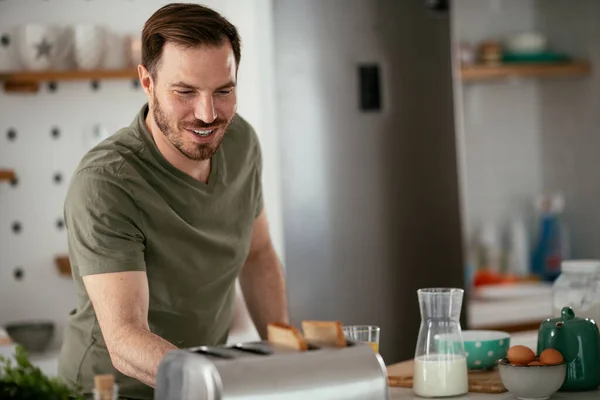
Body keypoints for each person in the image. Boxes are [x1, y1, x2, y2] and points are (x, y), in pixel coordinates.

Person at [57, 3, 288, 399]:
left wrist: (289, 360)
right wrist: (212, 381)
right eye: (185, 92)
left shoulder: (241, 142)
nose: (207, 114)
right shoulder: (105, 182)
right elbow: (125, 337)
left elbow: (258, 254)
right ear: (147, 82)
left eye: (224, 91)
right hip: (111, 389)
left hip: (200, 381)